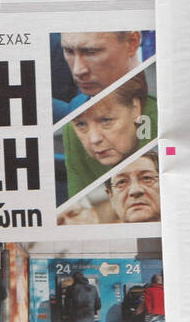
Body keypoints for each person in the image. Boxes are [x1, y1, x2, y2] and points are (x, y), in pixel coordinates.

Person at [62, 71, 156, 200]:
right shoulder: (71, 129)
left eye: (106, 121)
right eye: (82, 125)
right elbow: (77, 204)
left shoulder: (161, 122)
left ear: (135, 109)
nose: (94, 139)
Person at [54, 31, 144, 121]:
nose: (77, 71)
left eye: (91, 52)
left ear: (132, 43)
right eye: (69, 51)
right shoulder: (77, 104)